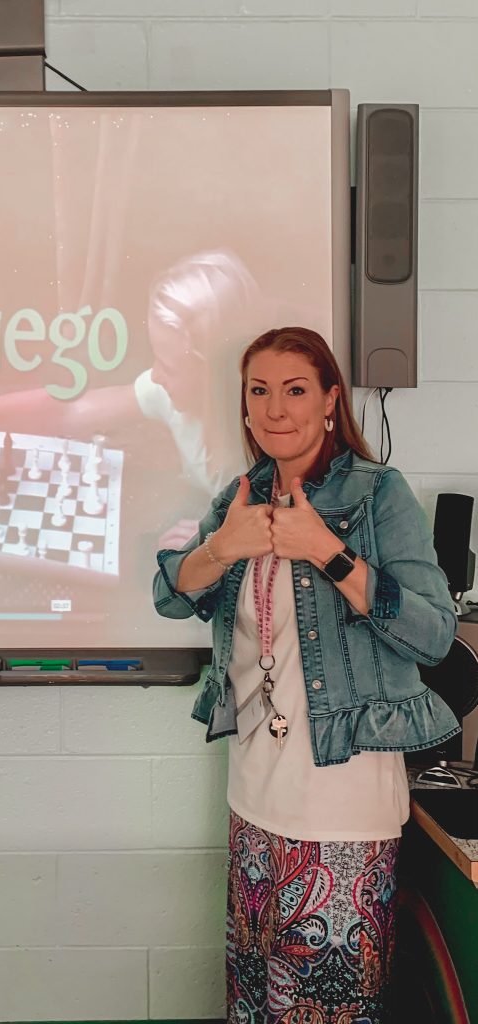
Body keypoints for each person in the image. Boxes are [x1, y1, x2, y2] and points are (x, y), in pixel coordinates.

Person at [152, 326, 459, 1023]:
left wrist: (327, 551)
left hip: (341, 808)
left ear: (329, 401)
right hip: (252, 798)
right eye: (257, 391)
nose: (274, 409)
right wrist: (221, 547)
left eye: (294, 390)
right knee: (255, 1004)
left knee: (325, 1009)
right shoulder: (243, 493)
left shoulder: (377, 493)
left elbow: (434, 634)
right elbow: (171, 594)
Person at [0, 250, 268, 505]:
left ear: (220, 372)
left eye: (168, 366)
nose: (155, 375)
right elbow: (69, 409)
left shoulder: (269, 449)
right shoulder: (169, 395)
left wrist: (212, 539)